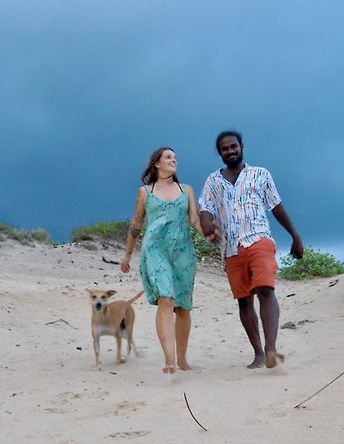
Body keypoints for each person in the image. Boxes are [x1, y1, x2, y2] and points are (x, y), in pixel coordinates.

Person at [199, 130, 303, 369]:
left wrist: (295, 236)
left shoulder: (260, 174)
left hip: (259, 239)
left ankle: (271, 348)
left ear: (241, 146)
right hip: (231, 247)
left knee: (265, 288)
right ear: (220, 153)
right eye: (225, 149)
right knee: (244, 300)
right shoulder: (213, 181)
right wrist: (206, 224)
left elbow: (276, 206)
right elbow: (205, 207)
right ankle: (258, 353)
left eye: (233, 146)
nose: (230, 151)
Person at [120, 147, 204, 373]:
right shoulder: (145, 192)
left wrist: (210, 234)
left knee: (183, 307)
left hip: (182, 251)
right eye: (168, 157)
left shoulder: (186, 190)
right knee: (166, 299)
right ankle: (169, 360)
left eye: (175, 157)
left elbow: (195, 220)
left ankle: (182, 360)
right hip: (155, 248)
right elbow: (136, 224)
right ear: (156, 163)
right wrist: (128, 254)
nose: (173, 160)